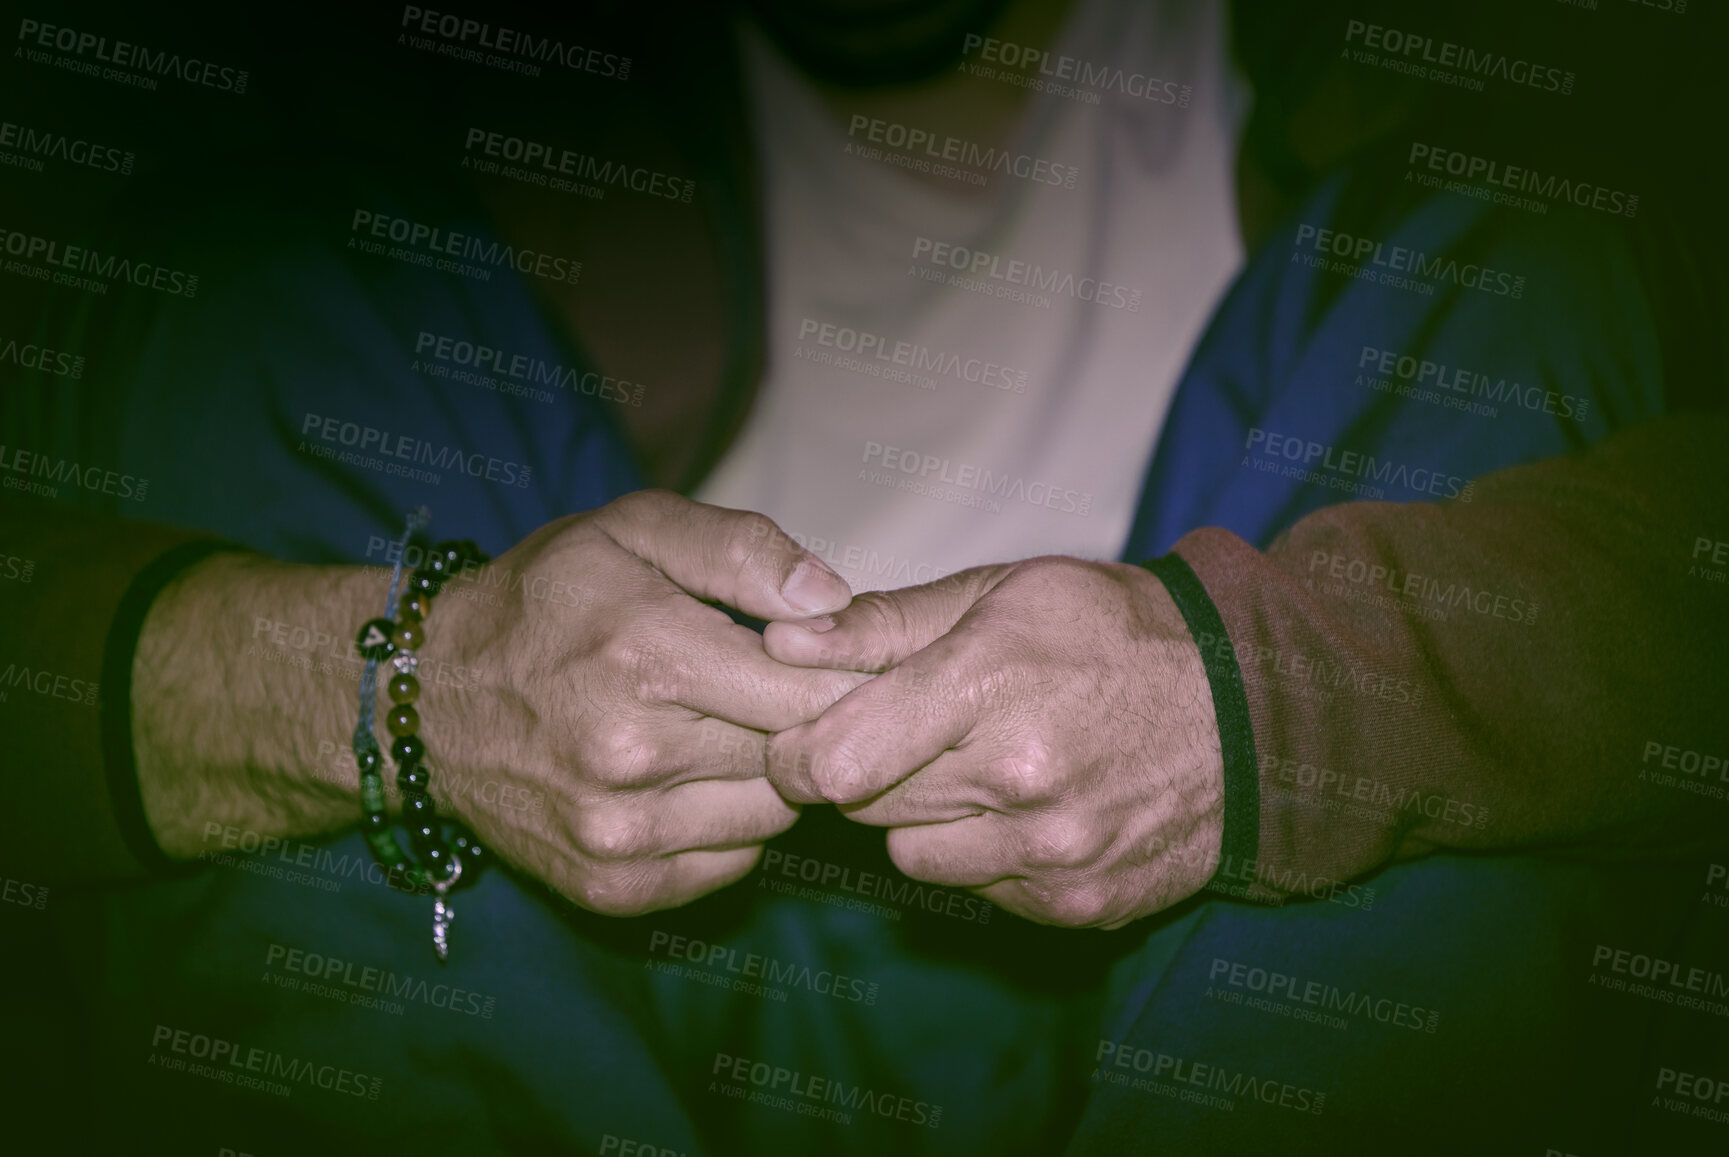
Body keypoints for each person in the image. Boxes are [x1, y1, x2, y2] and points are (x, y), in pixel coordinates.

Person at [2, 0, 1725, 1152]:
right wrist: (414, 689)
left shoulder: (1483, 76)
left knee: (1510, 265)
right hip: (575, 970)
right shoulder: (388, 102)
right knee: (238, 299)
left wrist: (1250, 695)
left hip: (1260, 983)